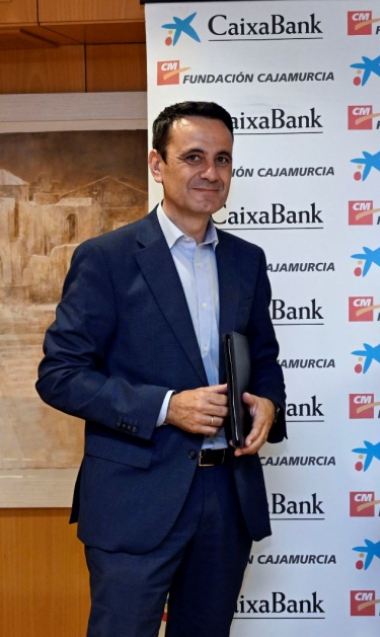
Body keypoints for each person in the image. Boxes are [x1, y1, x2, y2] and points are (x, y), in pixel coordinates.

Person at [36, 101, 287, 637]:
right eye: (193, 157)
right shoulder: (107, 258)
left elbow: (264, 358)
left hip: (227, 498)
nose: (210, 172)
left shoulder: (246, 260)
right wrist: (166, 407)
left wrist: (268, 403)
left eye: (222, 159)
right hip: (134, 499)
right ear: (157, 164)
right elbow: (60, 374)